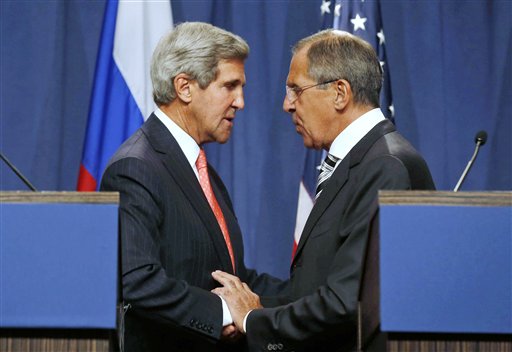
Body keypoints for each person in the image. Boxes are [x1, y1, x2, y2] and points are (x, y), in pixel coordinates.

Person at [212, 29, 436, 351]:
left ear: (340, 93)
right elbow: (315, 288)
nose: (286, 105)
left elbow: (346, 302)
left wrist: (252, 319)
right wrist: (246, 303)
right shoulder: (363, 160)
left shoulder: (385, 166)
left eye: (295, 90)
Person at [100, 22, 284, 352]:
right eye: (229, 86)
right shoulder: (135, 168)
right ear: (184, 87)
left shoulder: (201, 171)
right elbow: (138, 280)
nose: (240, 101)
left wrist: (311, 294)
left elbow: (231, 277)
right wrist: (226, 313)